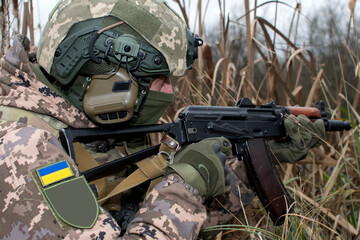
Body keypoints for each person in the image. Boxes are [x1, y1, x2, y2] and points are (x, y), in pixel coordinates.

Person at [0, 0, 325, 239]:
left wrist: (245, 167)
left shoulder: (93, 130)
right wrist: (182, 186)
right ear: (97, 71)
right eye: (158, 77)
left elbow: (171, 226)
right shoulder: (21, 147)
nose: (169, 91)